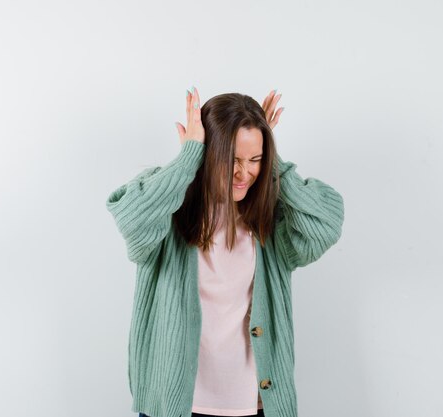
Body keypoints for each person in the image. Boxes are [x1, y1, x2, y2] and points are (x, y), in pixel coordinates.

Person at [106, 87, 345, 417]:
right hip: (176, 404)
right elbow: (131, 218)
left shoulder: (270, 219)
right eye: (231, 159)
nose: (243, 173)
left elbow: (327, 222)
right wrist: (188, 158)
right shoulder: (168, 210)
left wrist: (274, 163)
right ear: (206, 154)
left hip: (256, 404)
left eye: (254, 160)